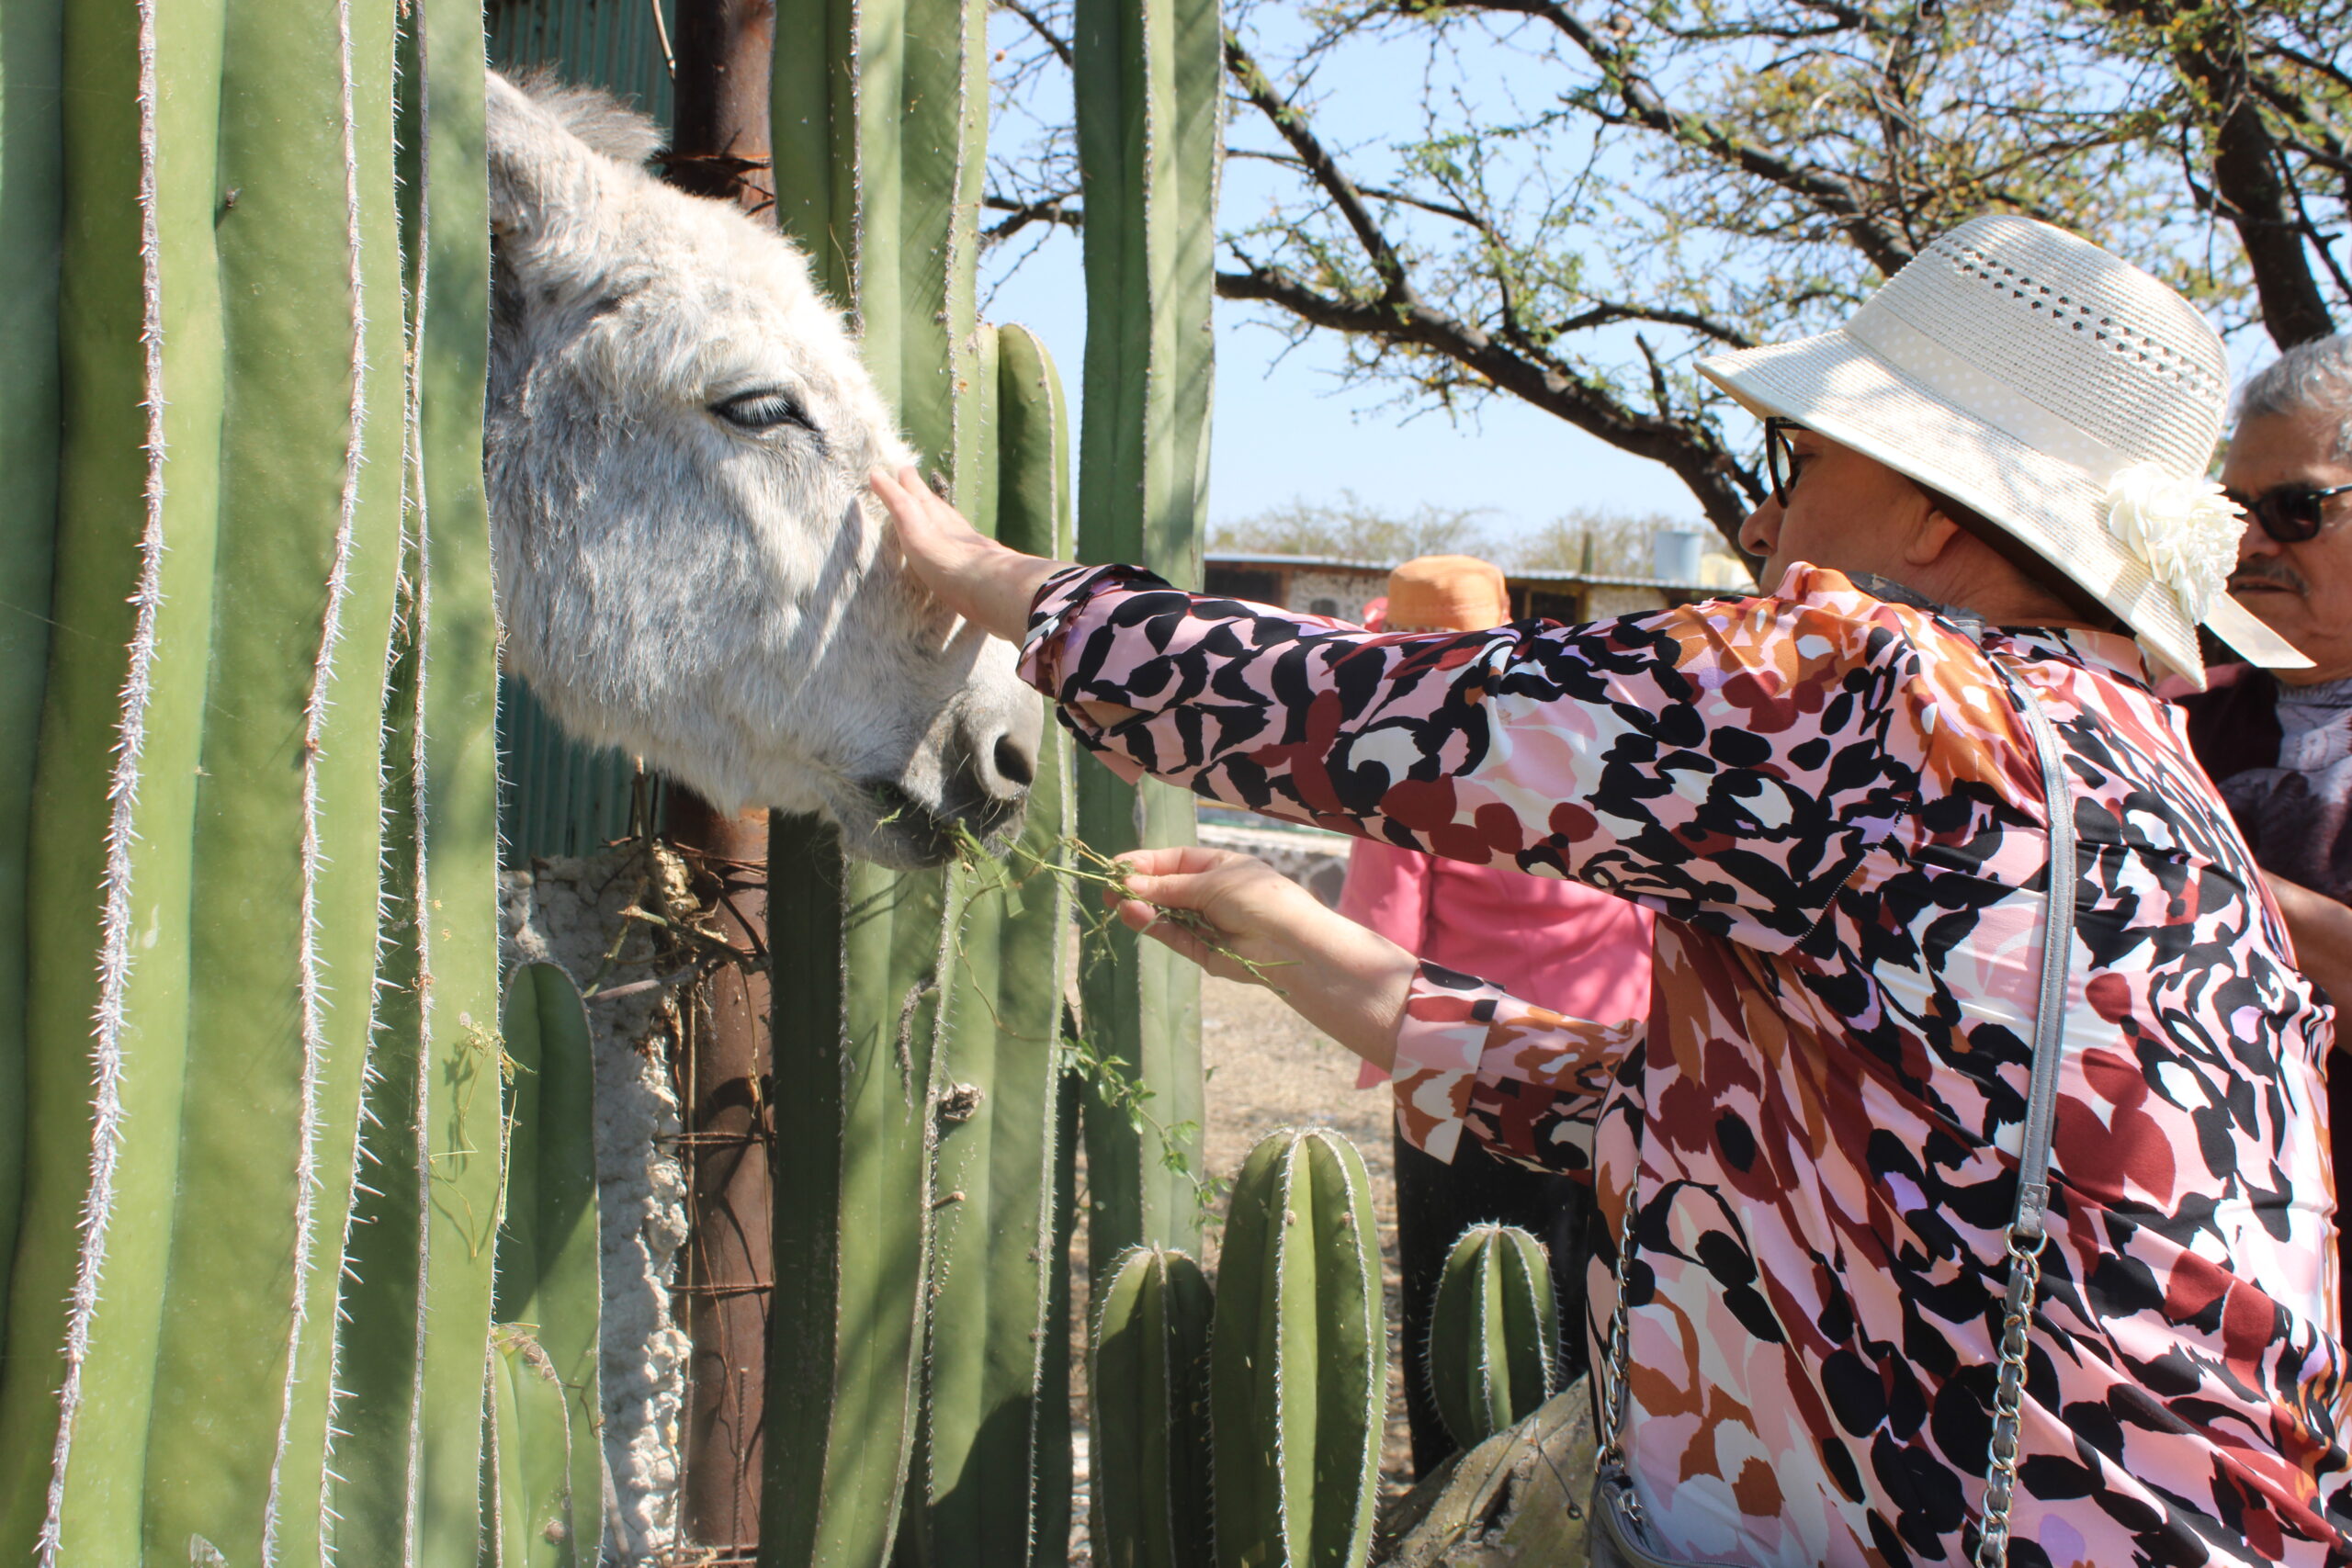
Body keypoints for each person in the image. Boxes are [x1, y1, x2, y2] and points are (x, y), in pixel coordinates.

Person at [874, 215, 2345, 1563]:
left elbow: (1354, 708)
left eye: (1802, 462)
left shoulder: (1877, 691)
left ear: (1935, 516)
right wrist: (1309, 950)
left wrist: (966, 561)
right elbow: (1736, 1143)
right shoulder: (2137, 761)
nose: (1768, 528)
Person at [1340, 554, 1653, 1474]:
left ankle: (1458, 1483)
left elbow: (1383, 923)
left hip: (1451, 1045)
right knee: (1583, 1281)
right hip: (1607, 1044)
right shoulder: (1589, 731)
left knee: (1459, 1295)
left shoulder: (1397, 751)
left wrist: (1375, 1053)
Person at [2182, 333, 2352, 1331]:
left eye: (2296, 508)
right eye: (2232, 510)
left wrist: (2206, 878)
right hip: (2200, 1310)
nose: (2251, 544)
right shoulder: (2171, 716)